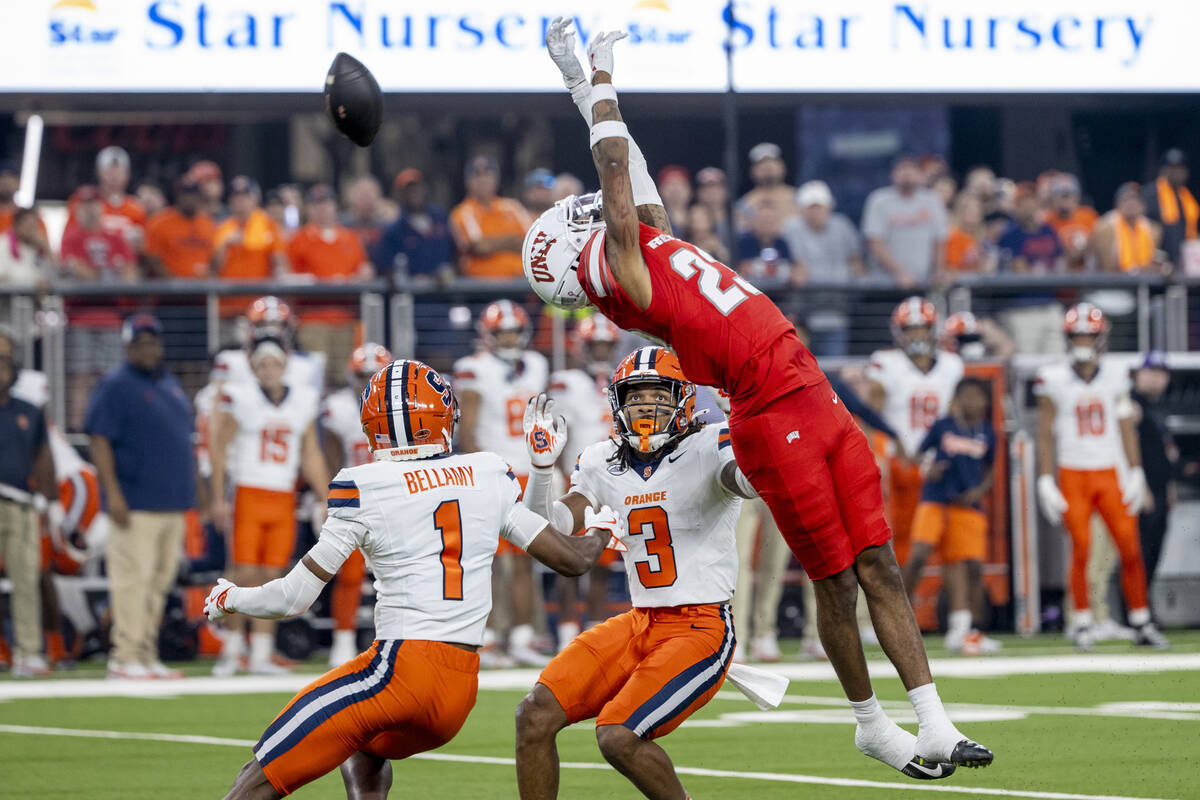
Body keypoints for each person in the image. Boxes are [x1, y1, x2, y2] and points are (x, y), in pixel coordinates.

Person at [530, 19, 990, 774]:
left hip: (810, 390)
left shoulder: (647, 249)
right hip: (769, 414)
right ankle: (870, 721)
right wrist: (602, 72)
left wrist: (579, 85)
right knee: (836, 578)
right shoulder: (625, 277)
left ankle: (934, 722)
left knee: (880, 564)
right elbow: (614, 165)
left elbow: (631, 169)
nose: (589, 211)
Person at [203, 358, 618, 800]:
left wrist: (231, 597)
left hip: (400, 670)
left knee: (260, 773)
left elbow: (293, 597)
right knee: (360, 745)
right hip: (458, 691)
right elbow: (569, 558)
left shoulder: (363, 485)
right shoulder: (486, 472)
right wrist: (569, 495)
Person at [516, 348, 758, 799]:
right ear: (617, 403)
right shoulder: (601, 460)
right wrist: (541, 471)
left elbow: (748, 483)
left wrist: (745, 426)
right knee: (534, 714)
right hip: (640, 620)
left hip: (700, 627)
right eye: (636, 396)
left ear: (684, 401)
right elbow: (547, 527)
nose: (646, 406)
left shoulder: (710, 443)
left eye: (658, 395)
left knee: (618, 735)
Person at [1034, 303, 1168, 651]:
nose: (1083, 342)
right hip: (1073, 471)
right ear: (1067, 339)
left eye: (1088, 335)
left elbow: (1126, 427)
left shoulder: (1116, 374)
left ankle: (1140, 620)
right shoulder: (1054, 378)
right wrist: (1045, 478)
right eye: (1077, 335)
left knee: (1130, 548)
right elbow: (1045, 432)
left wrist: (1135, 470)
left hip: (1110, 471)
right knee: (1081, 548)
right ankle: (1081, 623)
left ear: (1101, 339)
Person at [85, 314, 195, 679]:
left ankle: (146, 653)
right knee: (133, 581)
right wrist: (112, 494)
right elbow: (98, 439)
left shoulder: (168, 381)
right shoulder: (115, 385)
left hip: (170, 502)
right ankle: (125, 655)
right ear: (127, 346)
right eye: (141, 343)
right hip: (135, 503)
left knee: (159, 583)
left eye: (153, 342)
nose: (149, 349)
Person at [209, 336, 327, 676]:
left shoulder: (302, 400)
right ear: (252, 367)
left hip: (282, 496)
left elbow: (310, 452)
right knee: (242, 572)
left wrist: (324, 496)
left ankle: (260, 653)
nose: (269, 370)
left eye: (274, 363)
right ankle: (232, 650)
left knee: (273, 576)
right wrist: (218, 497)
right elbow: (219, 448)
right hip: (248, 491)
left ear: (286, 365)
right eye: (262, 364)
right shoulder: (240, 397)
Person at [452, 300, 549, 666]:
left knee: (526, 558)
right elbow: (469, 431)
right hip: (494, 472)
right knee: (487, 559)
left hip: (529, 471)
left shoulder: (537, 365)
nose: (508, 338)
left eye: (512, 331)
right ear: (488, 336)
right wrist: (481, 470)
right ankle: (488, 636)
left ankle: (523, 635)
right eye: (501, 332)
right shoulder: (474, 369)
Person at [902, 378, 999, 655]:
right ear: (956, 398)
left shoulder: (987, 432)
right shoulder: (943, 425)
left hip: (966, 505)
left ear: (985, 402)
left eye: (977, 396)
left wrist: (979, 490)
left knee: (967, 566)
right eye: (966, 396)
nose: (972, 402)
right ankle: (897, 610)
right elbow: (919, 455)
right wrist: (927, 469)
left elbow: (991, 469)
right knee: (919, 554)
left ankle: (967, 629)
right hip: (935, 499)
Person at [866, 298, 965, 566]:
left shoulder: (951, 365)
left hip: (939, 466)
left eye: (922, 328)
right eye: (910, 329)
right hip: (901, 465)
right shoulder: (885, 362)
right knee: (902, 537)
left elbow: (957, 417)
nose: (917, 335)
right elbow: (870, 413)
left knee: (944, 542)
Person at [547, 314, 621, 644]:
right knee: (569, 559)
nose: (601, 351)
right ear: (583, 346)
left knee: (603, 561)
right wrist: (562, 477)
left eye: (606, 345)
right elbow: (560, 433)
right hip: (578, 480)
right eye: (596, 345)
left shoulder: (621, 378)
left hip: (614, 479)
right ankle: (566, 633)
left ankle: (594, 631)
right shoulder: (567, 381)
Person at [320, 341, 394, 667]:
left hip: (394, 496)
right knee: (349, 575)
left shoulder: (401, 408)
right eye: (363, 376)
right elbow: (331, 455)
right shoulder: (338, 408)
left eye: (375, 377)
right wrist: (326, 496)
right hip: (356, 497)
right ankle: (343, 639)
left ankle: (392, 639)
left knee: (396, 572)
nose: (368, 384)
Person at [0, 326, 60, 677]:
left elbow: (43, 456)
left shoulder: (28, 410)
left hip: (21, 502)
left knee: (27, 579)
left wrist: (49, 501)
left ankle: (28, 651)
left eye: (5, 364)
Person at [287, 183, 373, 383]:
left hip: (346, 320)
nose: (322, 208)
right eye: (317, 204)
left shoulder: (350, 239)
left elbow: (364, 270)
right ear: (309, 209)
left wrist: (363, 275)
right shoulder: (299, 239)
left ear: (335, 206)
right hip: (312, 320)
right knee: (315, 379)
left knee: (345, 379)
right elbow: (288, 278)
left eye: (326, 203)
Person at [1129, 351, 1174, 604]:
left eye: (1161, 373)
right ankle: (1136, 610)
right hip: (1141, 489)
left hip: (1159, 488)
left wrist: (1169, 488)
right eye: (1150, 372)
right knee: (1140, 553)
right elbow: (1129, 448)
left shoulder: (1158, 406)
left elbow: (1163, 450)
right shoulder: (1133, 404)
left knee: (1154, 552)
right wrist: (1140, 485)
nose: (1156, 379)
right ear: (1138, 375)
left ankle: (1143, 606)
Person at [862, 156, 948, 287]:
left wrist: (938, 271)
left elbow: (940, 240)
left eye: (912, 169)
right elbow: (875, 243)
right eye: (902, 169)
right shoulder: (879, 200)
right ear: (893, 174)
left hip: (924, 282)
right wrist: (900, 272)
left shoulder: (932, 200)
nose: (907, 174)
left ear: (920, 174)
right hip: (886, 283)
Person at [450, 155, 534, 280]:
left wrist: (493, 243)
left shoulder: (512, 206)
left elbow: (532, 241)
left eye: (488, 174)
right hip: (481, 290)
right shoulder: (462, 212)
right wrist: (513, 240)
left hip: (519, 286)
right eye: (477, 175)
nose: (483, 179)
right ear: (468, 181)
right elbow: (480, 247)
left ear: (496, 179)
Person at [372, 169, 455, 283]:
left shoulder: (441, 219)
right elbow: (385, 269)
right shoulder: (393, 230)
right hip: (412, 296)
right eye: (408, 190)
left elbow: (455, 256)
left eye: (416, 188)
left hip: (445, 294)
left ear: (424, 189)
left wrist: (446, 274)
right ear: (400, 195)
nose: (414, 193)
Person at [143, 176, 216, 280]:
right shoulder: (160, 222)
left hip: (200, 288)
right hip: (169, 290)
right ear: (178, 196)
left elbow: (213, 257)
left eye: (193, 195)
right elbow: (152, 256)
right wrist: (170, 281)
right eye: (185, 195)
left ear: (199, 197)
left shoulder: (208, 223)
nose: (189, 199)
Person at [1140, 148, 1196, 268]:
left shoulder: (1188, 198)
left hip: (1183, 260)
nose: (1175, 173)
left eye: (1179, 169)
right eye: (1171, 168)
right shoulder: (1150, 194)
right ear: (1163, 170)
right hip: (1157, 261)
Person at [1093, 182, 1166, 273]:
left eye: (1136, 199)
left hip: (1144, 281)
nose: (1131, 203)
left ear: (1143, 206)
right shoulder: (1105, 227)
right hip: (1113, 282)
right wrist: (1136, 270)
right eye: (1127, 199)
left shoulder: (1153, 229)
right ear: (1118, 203)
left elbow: (1155, 261)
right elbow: (1107, 267)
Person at [736, 142, 798, 231]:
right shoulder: (745, 203)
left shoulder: (798, 196)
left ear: (782, 166)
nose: (768, 166)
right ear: (753, 171)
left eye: (773, 161)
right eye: (762, 163)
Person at [1043, 173, 1097, 271]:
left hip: (1087, 273)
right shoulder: (1046, 220)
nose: (1065, 200)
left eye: (1068, 195)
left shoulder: (1089, 216)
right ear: (1053, 198)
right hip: (1058, 275)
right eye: (1062, 196)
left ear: (1077, 197)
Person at [736, 197, 793, 282]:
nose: (767, 224)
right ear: (754, 221)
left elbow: (791, 269)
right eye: (763, 219)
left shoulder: (782, 243)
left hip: (781, 291)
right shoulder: (743, 242)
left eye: (770, 220)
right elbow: (740, 270)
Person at [339, 175, 394, 252]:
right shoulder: (342, 224)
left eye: (369, 193)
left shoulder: (387, 224)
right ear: (352, 196)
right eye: (362, 194)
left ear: (378, 196)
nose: (366, 198)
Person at [943, 193, 995, 274]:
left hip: (979, 282)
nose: (974, 214)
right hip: (958, 282)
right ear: (961, 212)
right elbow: (950, 267)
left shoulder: (982, 237)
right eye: (970, 211)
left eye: (976, 211)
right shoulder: (953, 235)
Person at [656, 165, 692, 238]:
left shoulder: (701, 217)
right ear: (660, 190)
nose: (675, 189)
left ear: (689, 189)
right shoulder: (655, 219)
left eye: (680, 184)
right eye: (669, 184)